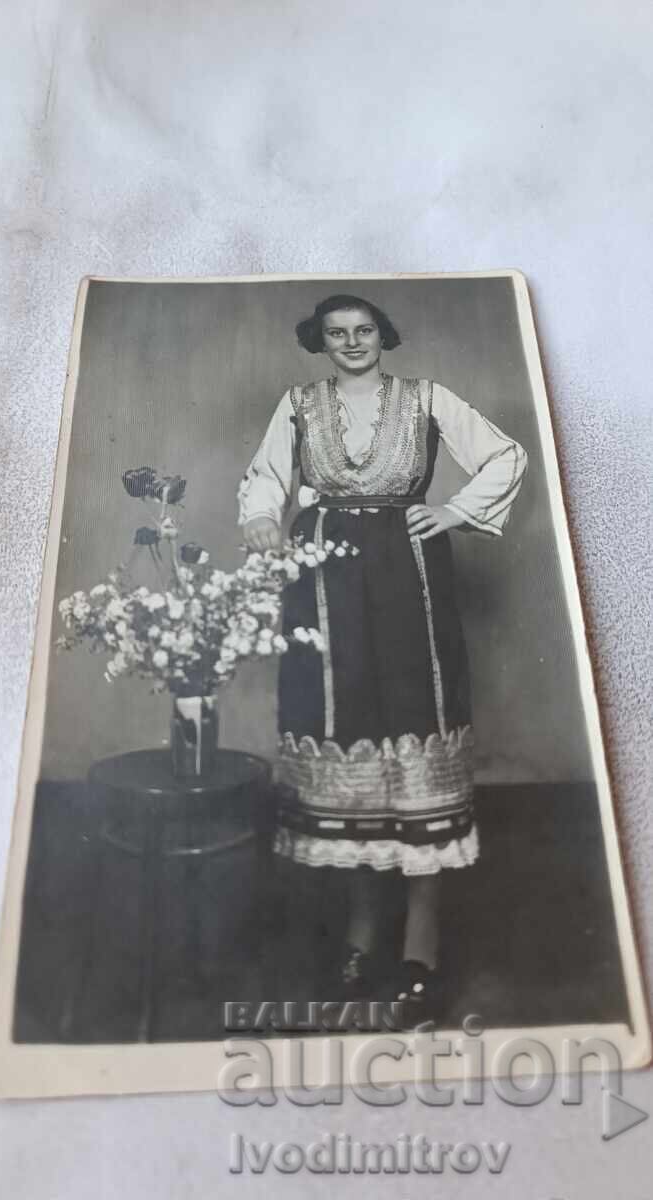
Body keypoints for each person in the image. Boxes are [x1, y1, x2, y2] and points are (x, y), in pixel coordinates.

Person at [238, 293, 527, 1019]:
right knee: (345, 725)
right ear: (321, 342)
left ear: (382, 336)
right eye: (336, 334)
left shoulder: (424, 397)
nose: (351, 342)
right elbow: (265, 478)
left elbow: (505, 453)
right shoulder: (300, 404)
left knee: (413, 720)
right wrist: (264, 521)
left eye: (362, 331)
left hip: (408, 575)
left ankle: (420, 942)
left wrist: (455, 511)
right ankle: (364, 932)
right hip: (325, 577)